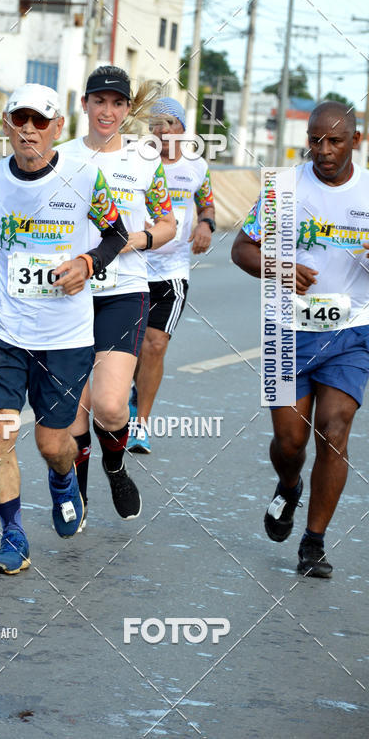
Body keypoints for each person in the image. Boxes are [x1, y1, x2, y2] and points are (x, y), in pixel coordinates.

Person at [0, 83, 128, 574]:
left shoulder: (86, 178)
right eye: (19, 119)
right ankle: (13, 535)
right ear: (6, 124)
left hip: (65, 336)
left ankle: (64, 480)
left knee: (51, 444)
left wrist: (88, 261)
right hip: (2, 330)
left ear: (57, 128)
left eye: (39, 121)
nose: (28, 129)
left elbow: (117, 232)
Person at [232, 100, 369, 578]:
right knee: (290, 443)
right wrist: (279, 268)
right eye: (315, 140)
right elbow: (242, 249)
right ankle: (288, 487)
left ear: (356, 139)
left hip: (350, 334)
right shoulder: (284, 188)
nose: (323, 150)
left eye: (334, 141)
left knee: (334, 431)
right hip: (286, 332)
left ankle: (313, 543)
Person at [60, 66, 175, 527]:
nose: (107, 111)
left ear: (128, 110)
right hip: (67, 294)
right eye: (99, 101)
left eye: (117, 103)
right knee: (71, 412)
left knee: (109, 405)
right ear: (84, 104)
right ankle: (78, 492)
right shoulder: (60, 157)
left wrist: (137, 241)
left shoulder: (145, 158)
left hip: (124, 292)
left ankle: (115, 465)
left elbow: (168, 223)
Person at [127, 97, 215, 453]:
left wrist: (206, 224)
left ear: (182, 128)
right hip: (133, 267)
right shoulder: (136, 163)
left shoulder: (196, 166)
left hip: (173, 270)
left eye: (168, 123)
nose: (161, 131)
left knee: (156, 344)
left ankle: (140, 424)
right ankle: (130, 394)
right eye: (154, 124)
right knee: (129, 350)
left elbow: (206, 202)